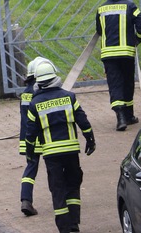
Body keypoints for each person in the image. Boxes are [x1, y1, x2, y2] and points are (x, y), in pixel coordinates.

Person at [25, 59, 96, 233]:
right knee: (73, 185)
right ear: (55, 77)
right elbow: (83, 120)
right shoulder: (69, 97)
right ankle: (74, 224)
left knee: (57, 189)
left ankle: (64, 228)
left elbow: (30, 134)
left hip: (51, 155)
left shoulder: (35, 104)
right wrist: (90, 140)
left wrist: (29, 153)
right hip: (71, 151)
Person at [96, 0, 141, 131]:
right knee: (127, 83)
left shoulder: (101, 9)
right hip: (126, 53)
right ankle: (129, 115)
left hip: (108, 55)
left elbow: (99, 31)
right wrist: (137, 40)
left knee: (115, 84)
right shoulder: (131, 6)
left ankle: (120, 118)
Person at [19, 57, 46, 217]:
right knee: (53, 168)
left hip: (27, 138)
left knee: (30, 168)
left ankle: (25, 200)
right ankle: (61, 200)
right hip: (44, 137)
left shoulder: (25, 94)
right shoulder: (41, 92)